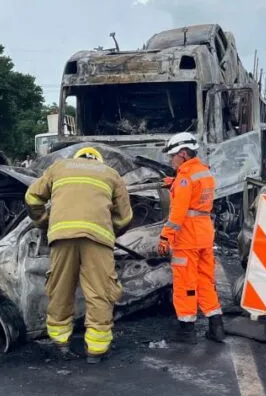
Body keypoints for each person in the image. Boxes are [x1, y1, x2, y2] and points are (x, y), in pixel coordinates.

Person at [24, 147, 133, 363]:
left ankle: (60, 344)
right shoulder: (110, 173)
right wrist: (108, 232)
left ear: (77, 158)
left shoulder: (59, 167)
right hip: (97, 239)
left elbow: (32, 198)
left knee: (61, 288)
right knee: (100, 291)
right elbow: (124, 216)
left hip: (62, 237)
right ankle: (96, 351)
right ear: (98, 160)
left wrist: (45, 222)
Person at [157, 132, 225, 344]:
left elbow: (178, 212)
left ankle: (186, 331)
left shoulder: (185, 176)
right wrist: (174, 183)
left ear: (184, 154)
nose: (171, 160)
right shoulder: (203, 172)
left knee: (185, 282)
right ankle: (216, 326)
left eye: (173, 156)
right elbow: (194, 193)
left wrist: (165, 237)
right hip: (205, 232)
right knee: (206, 280)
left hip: (187, 236)